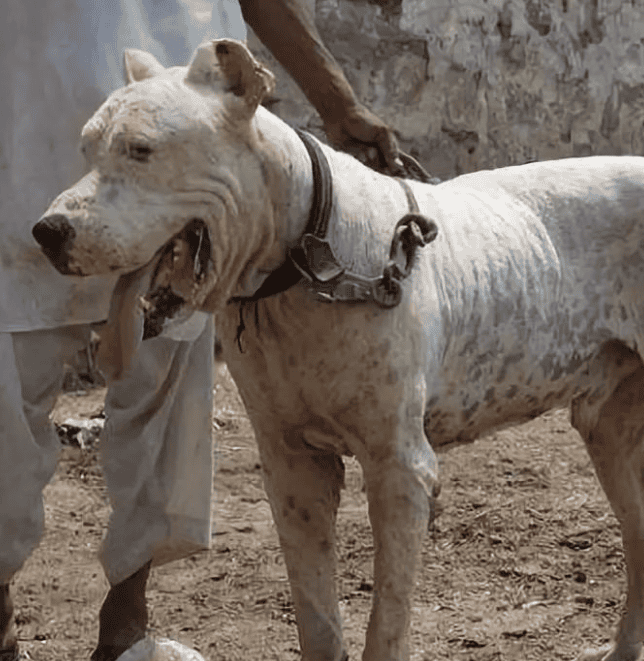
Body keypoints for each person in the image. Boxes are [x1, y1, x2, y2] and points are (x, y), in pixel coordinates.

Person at [0, 2, 401, 660]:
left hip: (186, 134)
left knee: (162, 385)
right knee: (6, 387)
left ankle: (127, 613)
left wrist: (336, 100)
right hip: (24, 114)